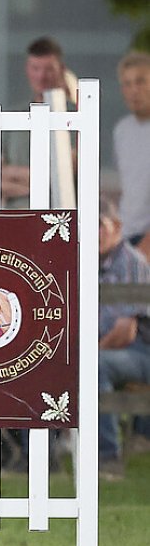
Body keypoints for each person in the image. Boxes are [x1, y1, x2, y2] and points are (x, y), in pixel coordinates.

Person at [97, 196, 149, 481]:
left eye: (99, 225)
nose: (92, 234)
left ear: (116, 226)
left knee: (96, 366)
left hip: (139, 350)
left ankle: (108, 458)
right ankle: (39, 459)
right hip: (108, 349)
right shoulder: (88, 262)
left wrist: (88, 353)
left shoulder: (130, 262)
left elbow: (124, 332)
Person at [113, 51, 150, 246]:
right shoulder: (122, 130)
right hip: (126, 236)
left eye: (141, 81)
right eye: (127, 84)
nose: (134, 90)